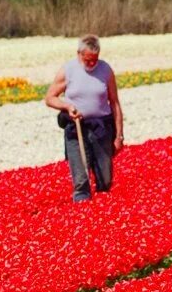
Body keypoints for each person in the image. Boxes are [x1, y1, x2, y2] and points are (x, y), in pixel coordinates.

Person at [45, 34, 123, 203]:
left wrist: (119, 136)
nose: (92, 63)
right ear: (79, 54)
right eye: (88, 60)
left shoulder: (106, 70)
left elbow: (115, 103)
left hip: (101, 128)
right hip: (76, 128)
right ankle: (83, 210)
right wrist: (67, 107)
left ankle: (104, 212)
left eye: (95, 59)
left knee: (105, 178)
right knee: (81, 180)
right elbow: (50, 98)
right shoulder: (68, 70)